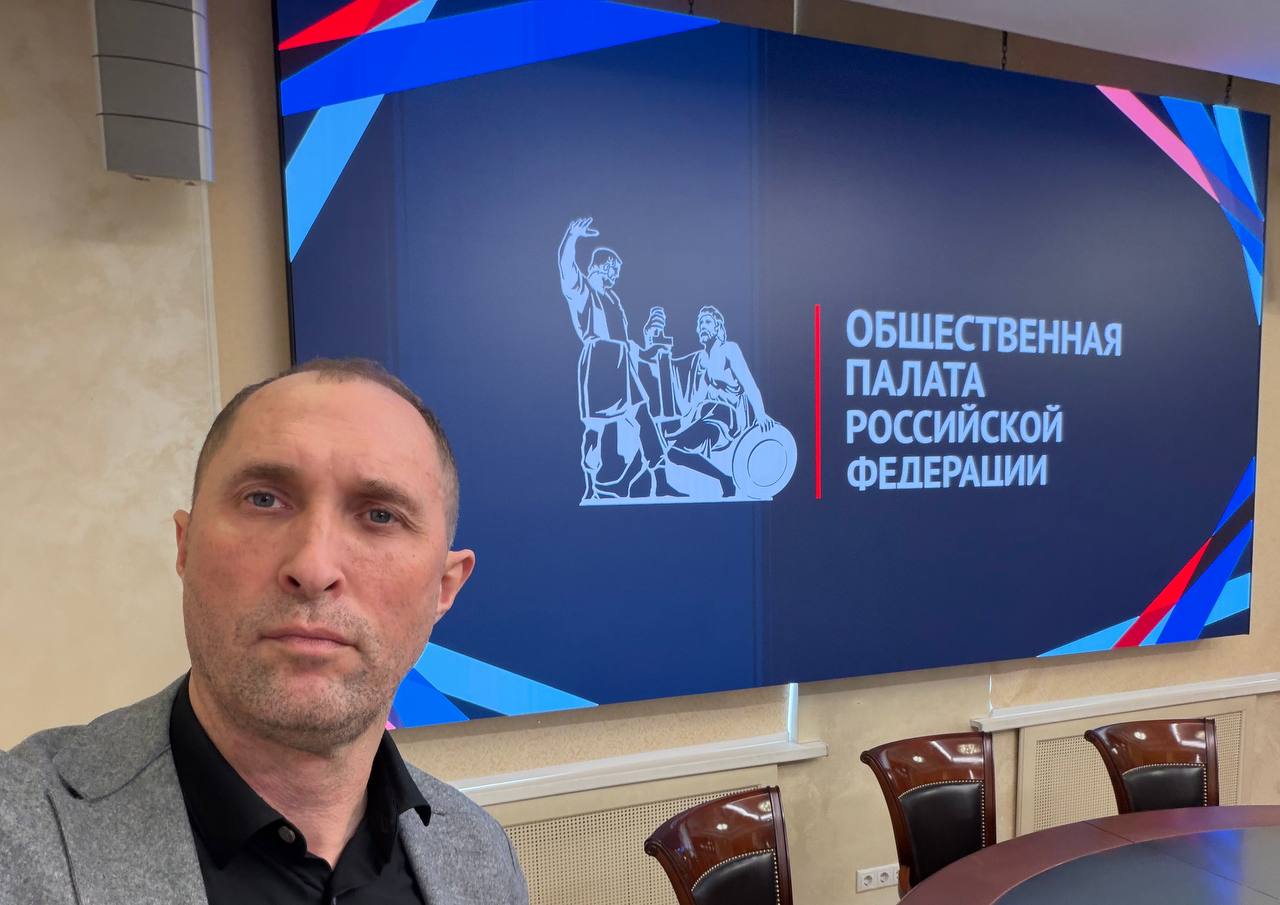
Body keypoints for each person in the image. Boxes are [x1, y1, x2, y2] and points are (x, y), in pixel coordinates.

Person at [0, 358, 528, 904]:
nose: (314, 568)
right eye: (264, 499)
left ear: (444, 587)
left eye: (379, 516)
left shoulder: (483, 855)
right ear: (185, 547)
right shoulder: (17, 832)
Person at [557, 217, 680, 500]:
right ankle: (591, 488)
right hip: (599, 364)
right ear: (601, 267)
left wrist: (645, 354)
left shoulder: (613, 299)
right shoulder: (583, 291)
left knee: (643, 417)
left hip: (623, 365)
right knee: (595, 428)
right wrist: (572, 236)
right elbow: (566, 267)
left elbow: (623, 340)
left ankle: (661, 481)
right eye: (613, 270)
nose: (615, 276)